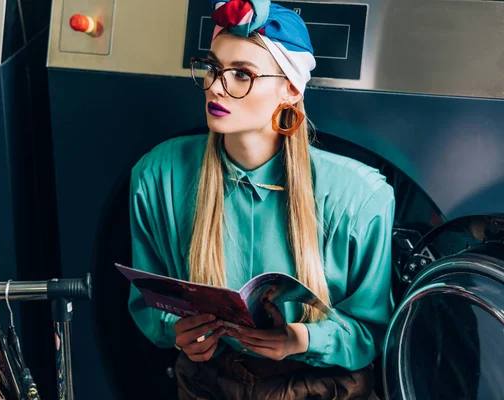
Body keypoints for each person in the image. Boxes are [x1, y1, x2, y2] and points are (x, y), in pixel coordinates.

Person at [127, 1, 395, 398]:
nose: (217, 86)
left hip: (319, 387)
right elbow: (149, 304)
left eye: (242, 74)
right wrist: (178, 331)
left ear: (290, 88)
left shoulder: (359, 199)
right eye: (214, 68)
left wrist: (302, 339)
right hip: (208, 382)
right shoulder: (156, 177)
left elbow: (373, 333)